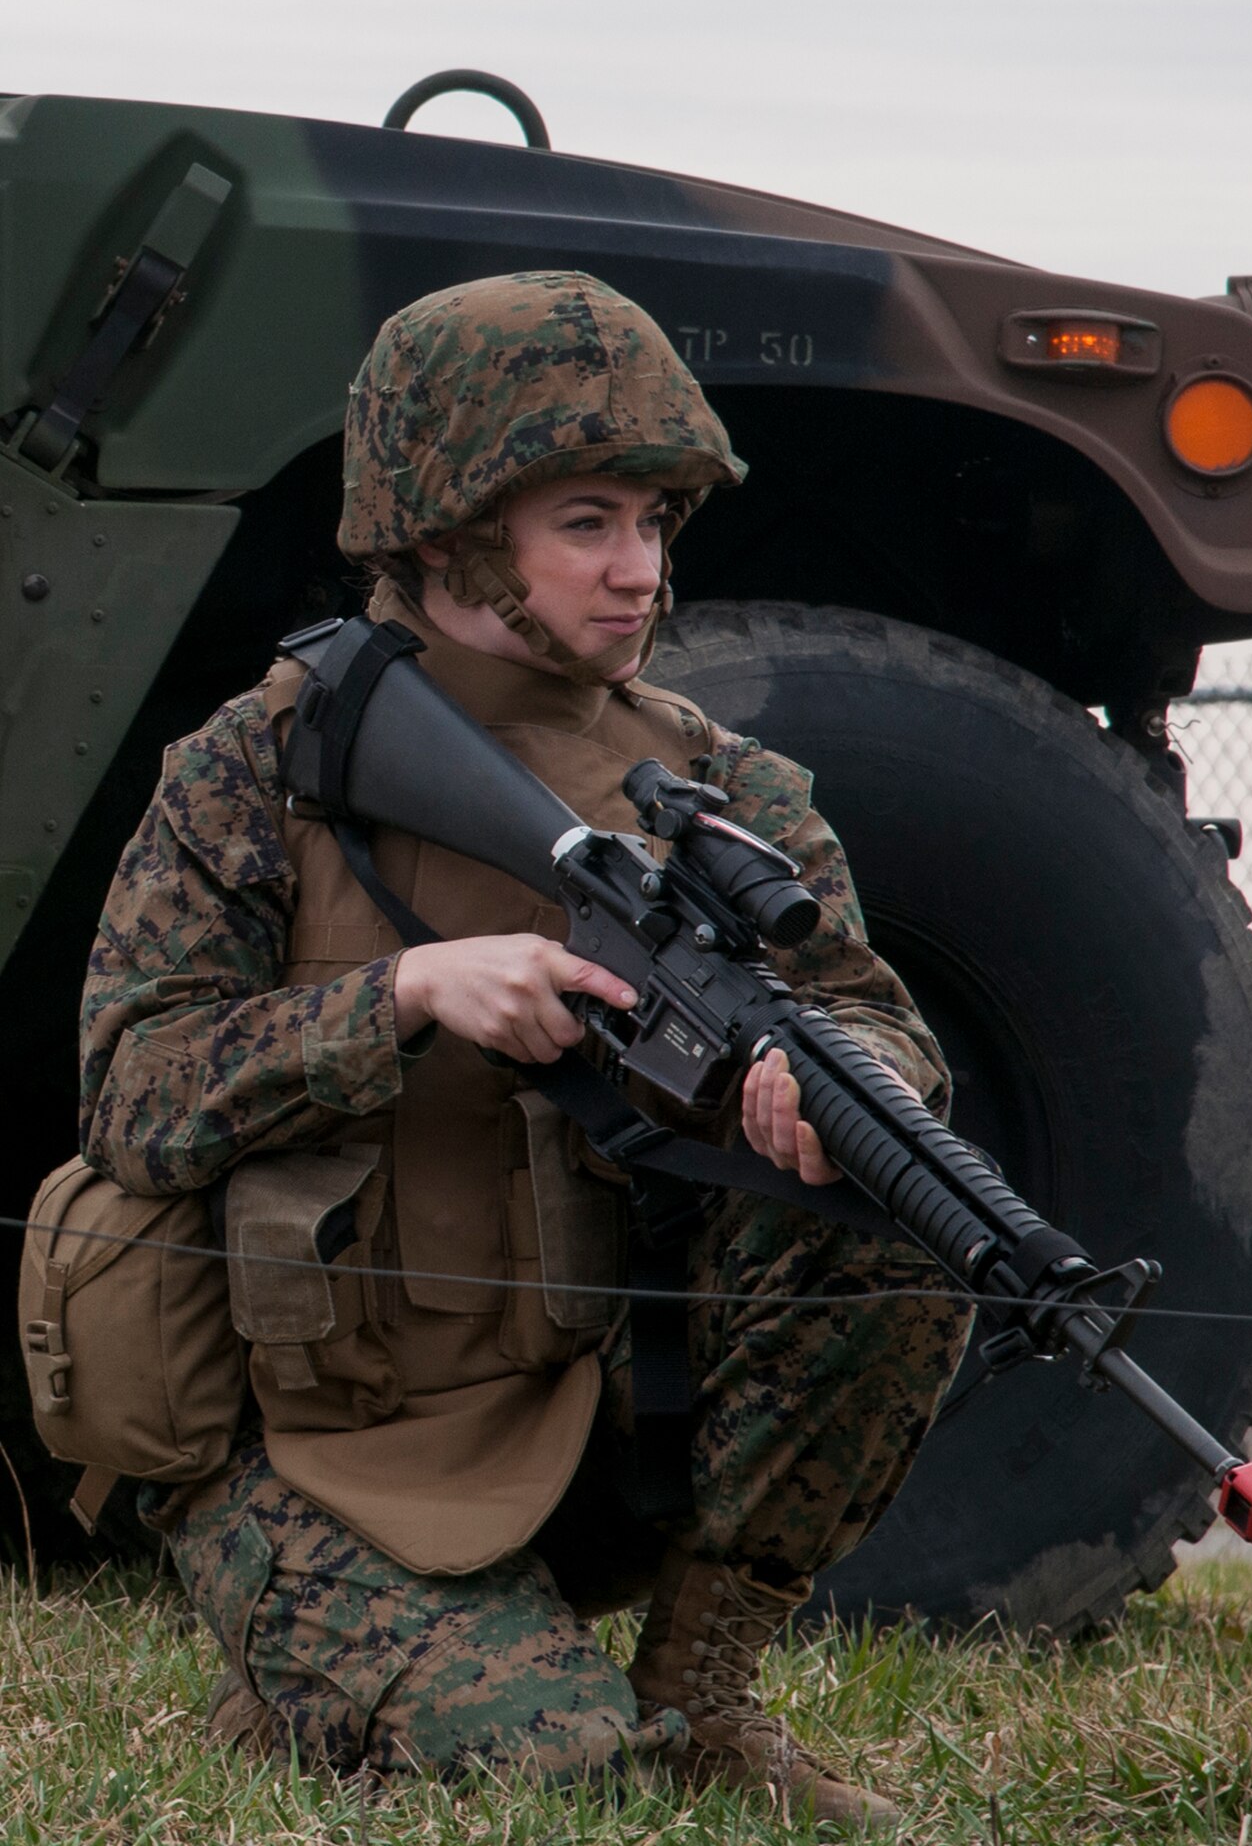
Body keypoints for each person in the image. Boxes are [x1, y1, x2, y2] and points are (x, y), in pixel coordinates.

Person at [80, 271, 971, 1824]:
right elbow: (128, 1094)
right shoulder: (255, 769)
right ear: (445, 532)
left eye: (657, 524)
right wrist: (402, 998)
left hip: (608, 1406)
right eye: (588, 524)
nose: (640, 575)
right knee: (553, 1774)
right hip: (317, 1441)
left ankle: (696, 1692)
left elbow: (870, 1007)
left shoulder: (722, 789)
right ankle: (337, 1655)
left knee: (895, 1213)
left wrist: (842, 1078)